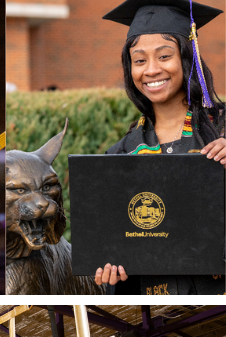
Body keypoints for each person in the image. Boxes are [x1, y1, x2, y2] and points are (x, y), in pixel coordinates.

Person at [92, 0, 226, 295]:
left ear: (188, 58)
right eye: (139, 60)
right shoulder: (120, 155)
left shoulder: (223, 128)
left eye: (164, 56)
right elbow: (118, 244)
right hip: (159, 306)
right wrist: (112, 273)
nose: (151, 70)